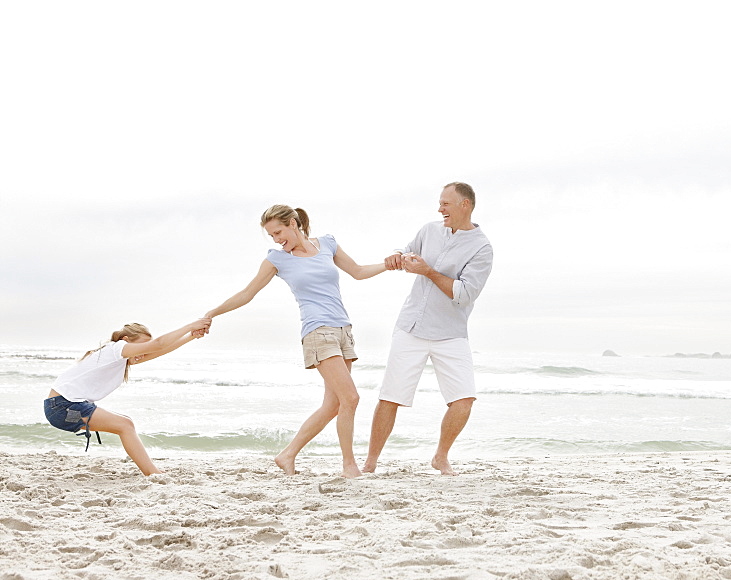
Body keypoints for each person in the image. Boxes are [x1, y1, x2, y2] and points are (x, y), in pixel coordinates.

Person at [204, 205, 387, 478]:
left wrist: (390, 264)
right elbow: (247, 293)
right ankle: (350, 466)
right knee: (350, 397)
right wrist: (212, 313)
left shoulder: (327, 244)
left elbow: (358, 271)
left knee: (333, 405)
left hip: (343, 330)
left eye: (278, 232)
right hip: (317, 332)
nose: (277, 239)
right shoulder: (278, 260)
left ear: (293, 223)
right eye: (272, 235)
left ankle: (287, 455)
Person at [363, 182, 493, 476]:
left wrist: (429, 272)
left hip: (451, 332)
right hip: (411, 326)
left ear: (465, 205)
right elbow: (409, 251)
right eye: (439, 203)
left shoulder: (482, 248)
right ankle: (370, 463)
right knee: (390, 396)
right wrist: (398, 255)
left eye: (446, 203)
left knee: (464, 400)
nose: (440, 209)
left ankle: (440, 456)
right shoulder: (429, 230)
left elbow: (464, 294)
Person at [44, 319, 212, 476]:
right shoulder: (117, 348)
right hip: (62, 408)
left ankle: (151, 471)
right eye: (142, 346)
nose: (144, 350)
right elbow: (158, 343)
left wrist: (191, 337)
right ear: (126, 339)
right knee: (125, 425)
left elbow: (159, 349)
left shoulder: (119, 358)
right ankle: (153, 473)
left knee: (125, 422)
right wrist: (191, 326)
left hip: (61, 410)